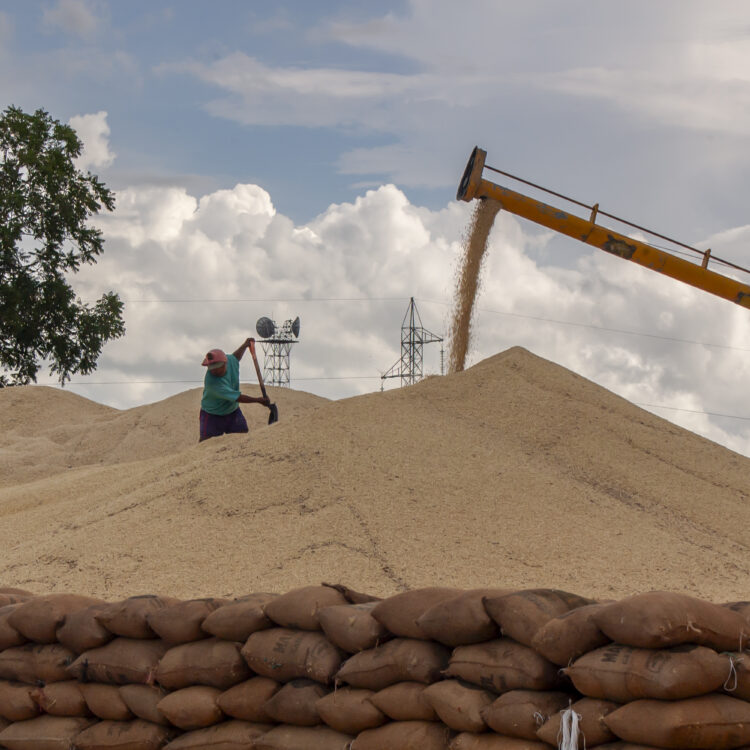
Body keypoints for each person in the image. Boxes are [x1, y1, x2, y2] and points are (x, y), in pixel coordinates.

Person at [199, 338, 269, 442]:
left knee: (242, 438)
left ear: (225, 363)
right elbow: (237, 397)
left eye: (217, 367)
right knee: (206, 444)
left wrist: (245, 345)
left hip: (232, 411)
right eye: (211, 368)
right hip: (212, 415)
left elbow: (236, 357)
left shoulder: (230, 360)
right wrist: (259, 400)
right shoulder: (213, 384)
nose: (214, 371)